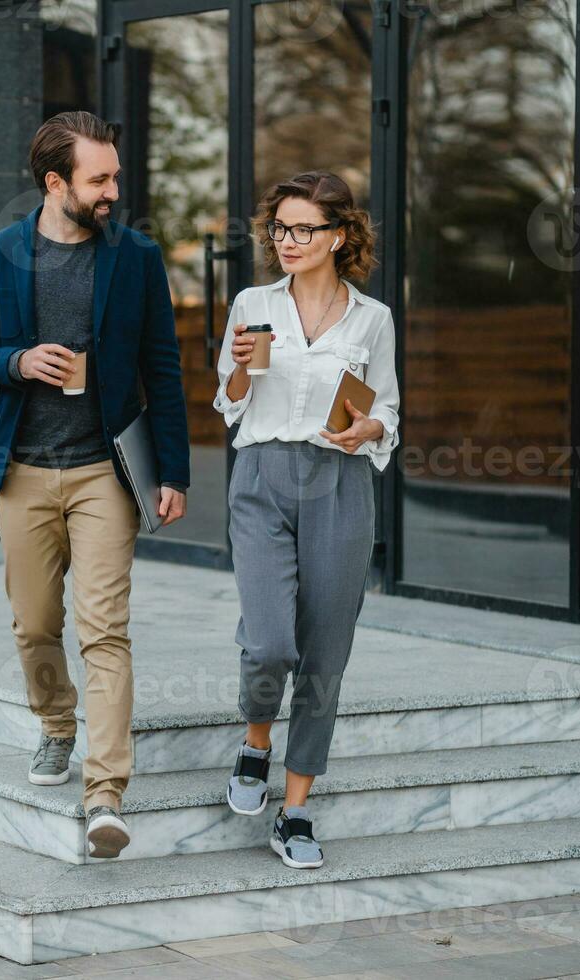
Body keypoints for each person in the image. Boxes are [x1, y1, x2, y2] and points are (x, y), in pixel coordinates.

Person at [0, 111, 191, 859]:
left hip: (103, 474)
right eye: (100, 178)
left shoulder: (136, 257)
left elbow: (164, 367)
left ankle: (105, 793)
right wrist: (16, 363)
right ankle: (56, 725)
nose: (115, 189)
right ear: (55, 183)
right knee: (34, 624)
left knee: (106, 630)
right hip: (21, 471)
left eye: (115, 174)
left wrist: (172, 472)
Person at [213, 170, 401, 869]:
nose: (287, 241)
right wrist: (237, 371)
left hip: (340, 484)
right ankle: (255, 742)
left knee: (325, 652)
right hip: (261, 477)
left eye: (303, 230)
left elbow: (388, 411)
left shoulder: (372, 319)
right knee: (268, 644)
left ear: (340, 235)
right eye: (280, 228)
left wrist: (370, 431)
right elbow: (229, 403)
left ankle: (294, 812)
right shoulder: (253, 304)